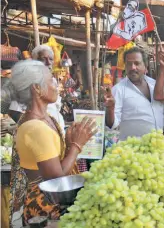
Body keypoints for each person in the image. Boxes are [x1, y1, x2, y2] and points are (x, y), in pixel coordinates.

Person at [3, 60, 96, 225]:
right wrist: (76, 146)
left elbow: (55, 161)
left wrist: (67, 143)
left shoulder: (45, 118)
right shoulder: (36, 128)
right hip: (45, 207)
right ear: (36, 88)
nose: (57, 83)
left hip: (51, 200)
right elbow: (57, 178)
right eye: (51, 79)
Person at [104, 47, 164, 141]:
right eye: (129, 64)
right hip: (133, 150)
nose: (132, 67)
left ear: (145, 66)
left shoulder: (155, 85)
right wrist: (110, 109)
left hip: (158, 147)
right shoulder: (118, 89)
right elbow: (111, 125)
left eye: (137, 63)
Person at [8, 45, 65, 131]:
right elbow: (14, 111)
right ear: (33, 60)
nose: (48, 62)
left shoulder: (52, 81)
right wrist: (35, 122)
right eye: (43, 58)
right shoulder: (27, 80)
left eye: (50, 59)